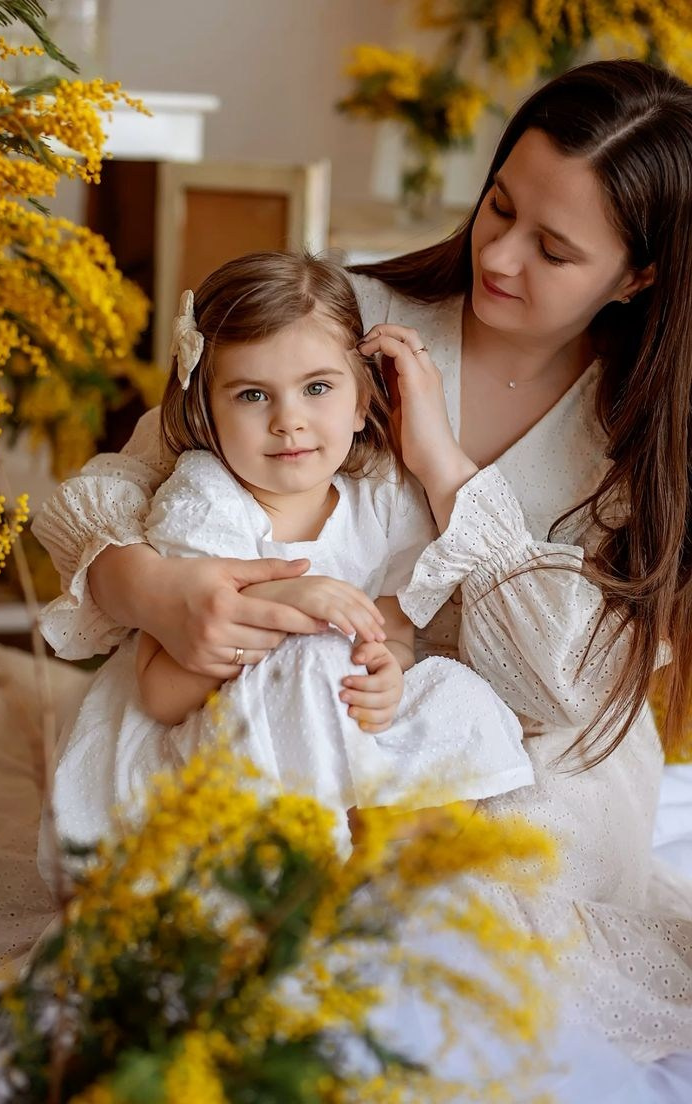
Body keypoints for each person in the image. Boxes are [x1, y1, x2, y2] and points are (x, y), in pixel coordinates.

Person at [0, 57, 682, 1091]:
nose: (500, 253)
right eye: (499, 206)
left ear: (637, 275)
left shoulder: (640, 432)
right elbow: (121, 483)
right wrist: (151, 590)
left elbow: (562, 682)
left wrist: (443, 467)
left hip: (523, 763)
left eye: (554, 248)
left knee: (448, 947)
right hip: (287, 697)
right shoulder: (344, 312)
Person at [44, 252, 530, 857]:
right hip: (207, 749)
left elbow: (395, 637)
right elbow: (162, 696)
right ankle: (304, 867)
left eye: (318, 388)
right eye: (252, 395)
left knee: (457, 693)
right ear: (207, 411)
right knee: (313, 663)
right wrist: (279, 605)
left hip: (336, 728)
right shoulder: (205, 502)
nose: (289, 421)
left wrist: (389, 675)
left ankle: (389, 863)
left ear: (361, 404)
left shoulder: (380, 500)